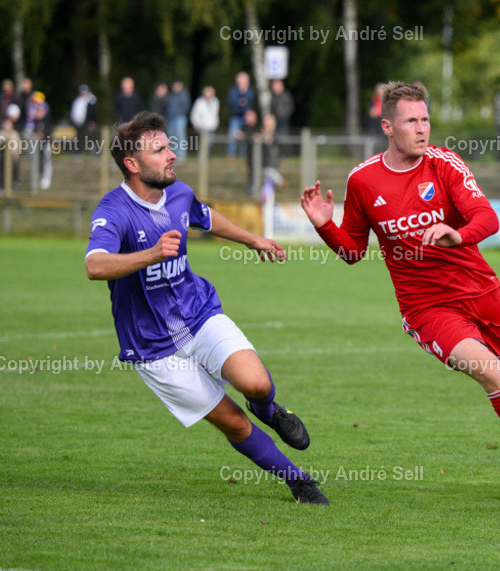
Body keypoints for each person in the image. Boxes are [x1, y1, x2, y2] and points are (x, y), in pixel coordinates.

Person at [299, 82, 500, 505]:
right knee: (493, 374)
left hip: (479, 289)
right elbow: (352, 252)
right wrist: (325, 226)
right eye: (411, 121)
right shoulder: (363, 180)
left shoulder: (445, 164)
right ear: (387, 126)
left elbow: (487, 218)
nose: (422, 128)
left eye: (425, 119)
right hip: (427, 308)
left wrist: (458, 234)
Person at [85, 111, 327, 505]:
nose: (172, 155)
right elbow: (95, 265)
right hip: (153, 347)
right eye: (159, 150)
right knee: (233, 422)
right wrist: (150, 254)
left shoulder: (178, 192)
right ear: (132, 164)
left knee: (256, 384)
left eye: (169, 146)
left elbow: (203, 216)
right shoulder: (113, 210)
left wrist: (251, 240)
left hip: (197, 315)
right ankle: (299, 482)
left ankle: (269, 410)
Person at [226, 72, 254, 158]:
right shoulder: (233, 90)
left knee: (245, 136)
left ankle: (244, 155)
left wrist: (242, 100)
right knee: (232, 136)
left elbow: (249, 103)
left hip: (246, 118)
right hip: (235, 116)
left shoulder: (250, 91)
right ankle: (231, 155)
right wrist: (241, 102)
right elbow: (232, 102)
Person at [70, 84, 99, 155]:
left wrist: (93, 121)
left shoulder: (92, 100)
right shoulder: (78, 100)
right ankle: (78, 151)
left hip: (88, 122)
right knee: (80, 137)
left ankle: (92, 151)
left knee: (90, 137)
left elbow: (94, 112)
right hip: (79, 123)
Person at [166, 80, 190, 159]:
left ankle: (181, 156)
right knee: (172, 137)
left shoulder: (183, 95)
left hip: (180, 117)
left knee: (180, 136)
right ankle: (174, 155)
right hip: (171, 118)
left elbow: (186, 107)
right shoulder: (172, 96)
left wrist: (179, 113)